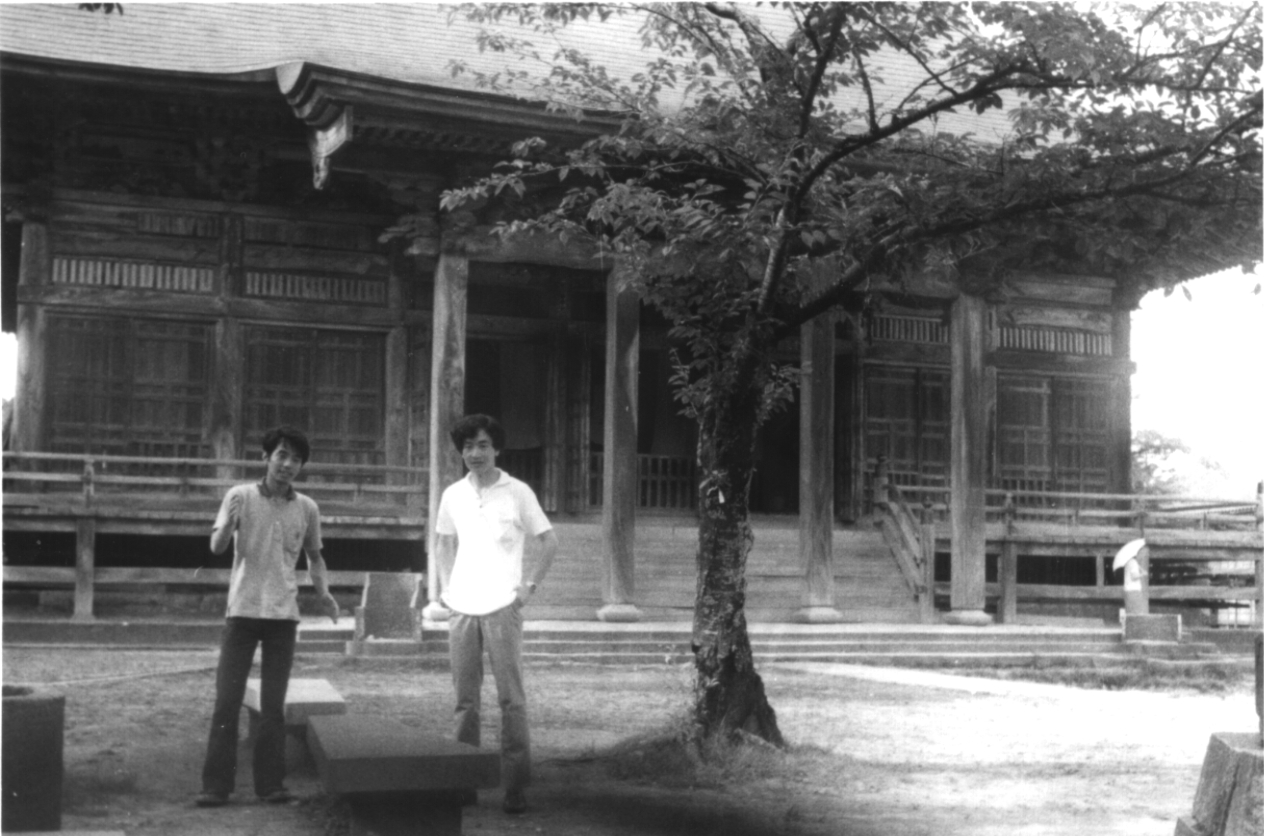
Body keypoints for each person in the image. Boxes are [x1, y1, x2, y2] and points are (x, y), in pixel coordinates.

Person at [195, 426, 339, 807]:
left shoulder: (307, 507)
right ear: (265, 457)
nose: (287, 464)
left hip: (283, 615)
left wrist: (324, 593)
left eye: (296, 459)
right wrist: (228, 525)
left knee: (274, 706)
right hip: (242, 611)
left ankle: (271, 785)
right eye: (281, 455)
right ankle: (216, 786)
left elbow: (315, 557)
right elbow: (216, 547)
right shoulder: (239, 495)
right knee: (227, 701)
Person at [434, 414, 558, 815]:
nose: (475, 453)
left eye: (483, 445)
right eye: (468, 446)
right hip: (462, 608)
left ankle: (515, 787)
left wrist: (528, 588)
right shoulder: (453, 494)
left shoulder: (517, 491)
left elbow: (549, 541)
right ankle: (462, 783)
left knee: (511, 700)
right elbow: (442, 542)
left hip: (503, 607)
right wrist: (446, 589)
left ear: (497, 448)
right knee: (465, 701)